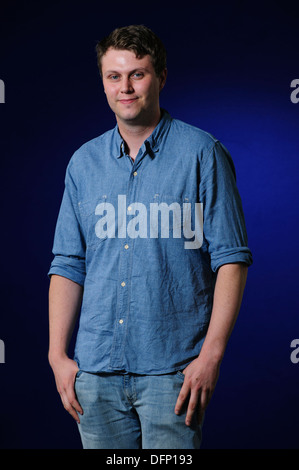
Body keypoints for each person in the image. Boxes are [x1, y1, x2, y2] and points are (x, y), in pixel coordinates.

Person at [48, 24, 252, 449]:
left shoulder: (202, 153)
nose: (125, 87)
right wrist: (58, 356)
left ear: (160, 76)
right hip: (95, 373)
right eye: (114, 76)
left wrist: (210, 356)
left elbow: (231, 259)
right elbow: (68, 263)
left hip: (174, 374)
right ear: (103, 82)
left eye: (137, 74)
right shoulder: (83, 163)